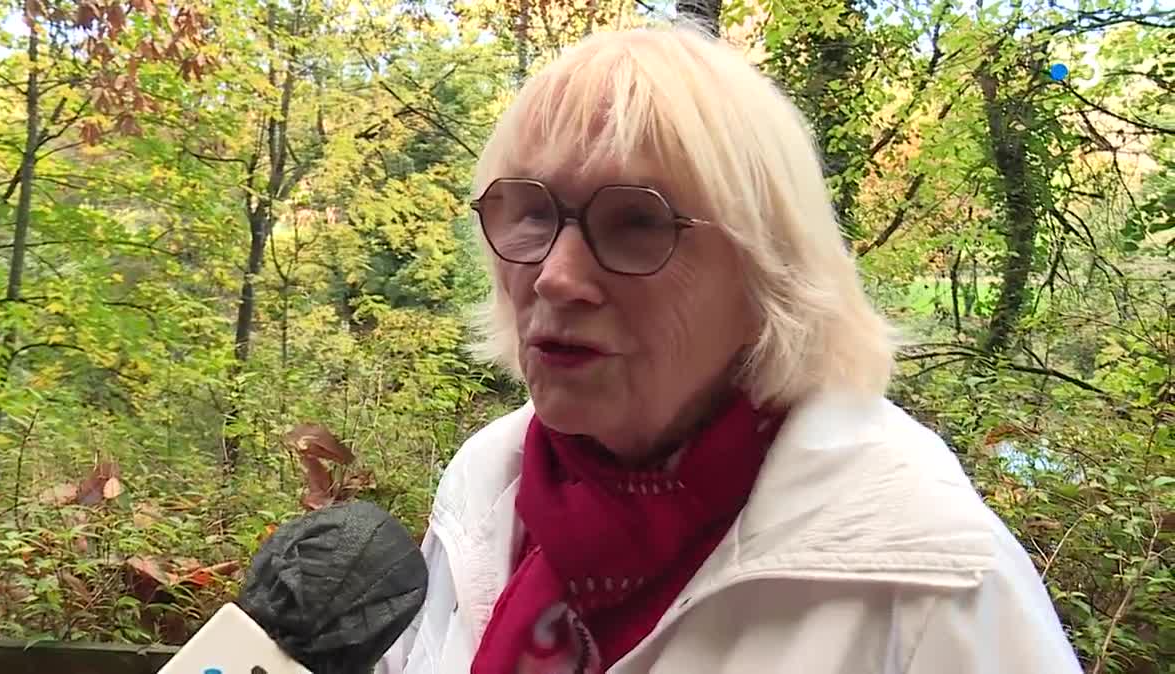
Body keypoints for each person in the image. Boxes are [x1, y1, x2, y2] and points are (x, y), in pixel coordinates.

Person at [378, 22, 1083, 674]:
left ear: (767, 273)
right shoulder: (487, 483)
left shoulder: (928, 580)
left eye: (635, 222)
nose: (558, 276)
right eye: (531, 212)